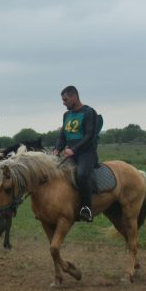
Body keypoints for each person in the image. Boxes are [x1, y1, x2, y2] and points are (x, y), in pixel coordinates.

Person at [53, 86, 99, 222]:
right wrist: (57, 149)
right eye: (63, 100)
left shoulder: (89, 112)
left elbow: (90, 135)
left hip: (86, 153)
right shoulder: (66, 115)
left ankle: (87, 208)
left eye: (65, 99)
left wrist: (74, 149)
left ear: (74, 97)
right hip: (69, 154)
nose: (63, 103)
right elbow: (62, 136)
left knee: (82, 175)